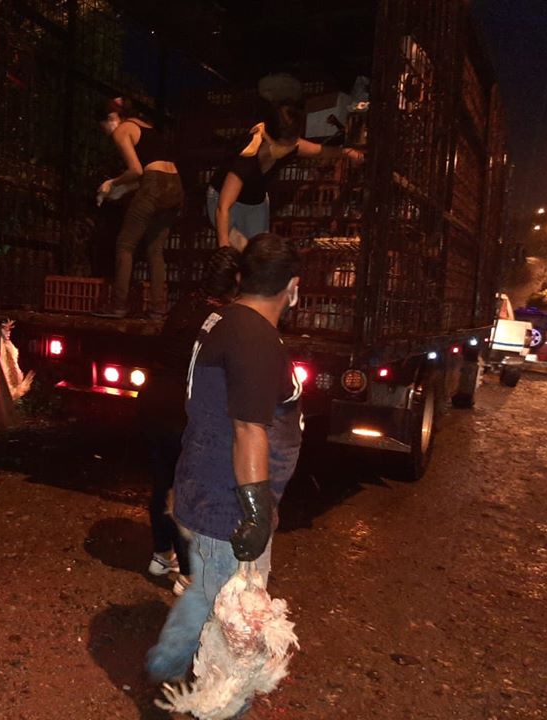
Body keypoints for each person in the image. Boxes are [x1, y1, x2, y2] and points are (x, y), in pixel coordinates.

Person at [146, 234, 305, 698]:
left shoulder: (224, 319)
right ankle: (222, 703)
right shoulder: (254, 337)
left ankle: (166, 662)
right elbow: (249, 429)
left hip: (203, 487)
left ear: (241, 276)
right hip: (227, 506)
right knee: (238, 626)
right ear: (293, 288)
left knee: (206, 590)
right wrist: (255, 514)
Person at [138, 246, 241, 596]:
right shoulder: (223, 318)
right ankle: (188, 574)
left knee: (162, 482)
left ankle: (160, 554)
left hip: (153, 403)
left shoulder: (186, 304)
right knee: (185, 493)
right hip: (180, 412)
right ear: (235, 282)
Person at [208, 100, 364, 250]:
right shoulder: (247, 157)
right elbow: (223, 208)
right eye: (289, 143)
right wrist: (224, 247)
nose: (294, 146)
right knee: (244, 250)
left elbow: (320, 151)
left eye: (295, 141)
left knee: (261, 252)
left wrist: (347, 153)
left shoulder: (291, 145)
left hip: (256, 202)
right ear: (270, 138)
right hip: (225, 203)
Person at [94, 96, 184, 319]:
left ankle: (118, 305)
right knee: (155, 249)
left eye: (103, 126)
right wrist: (122, 189)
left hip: (154, 184)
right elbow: (148, 172)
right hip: (175, 187)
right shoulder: (147, 127)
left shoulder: (122, 130)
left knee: (125, 245)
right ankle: (158, 309)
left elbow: (136, 170)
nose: (106, 132)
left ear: (111, 118)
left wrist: (112, 182)